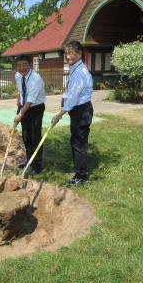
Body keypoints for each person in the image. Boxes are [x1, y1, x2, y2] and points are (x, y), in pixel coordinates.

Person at [52, 41, 93, 186]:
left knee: (79, 143)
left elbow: (74, 97)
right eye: (65, 53)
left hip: (81, 111)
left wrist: (60, 114)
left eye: (70, 53)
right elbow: (70, 94)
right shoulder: (75, 68)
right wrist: (63, 106)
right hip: (78, 109)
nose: (67, 56)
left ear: (79, 54)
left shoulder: (79, 72)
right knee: (75, 141)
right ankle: (78, 168)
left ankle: (82, 176)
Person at [13, 54, 46, 175]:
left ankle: (37, 165)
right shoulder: (18, 75)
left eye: (24, 65)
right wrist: (19, 104)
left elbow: (31, 100)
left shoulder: (35, 79)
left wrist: (20, 115)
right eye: (19, 65)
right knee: (26, 136)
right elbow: (21, 91)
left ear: (30, 65)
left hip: (35, 108)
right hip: (24, 106)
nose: (22, 68)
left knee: (35, 136)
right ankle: (29, 160)